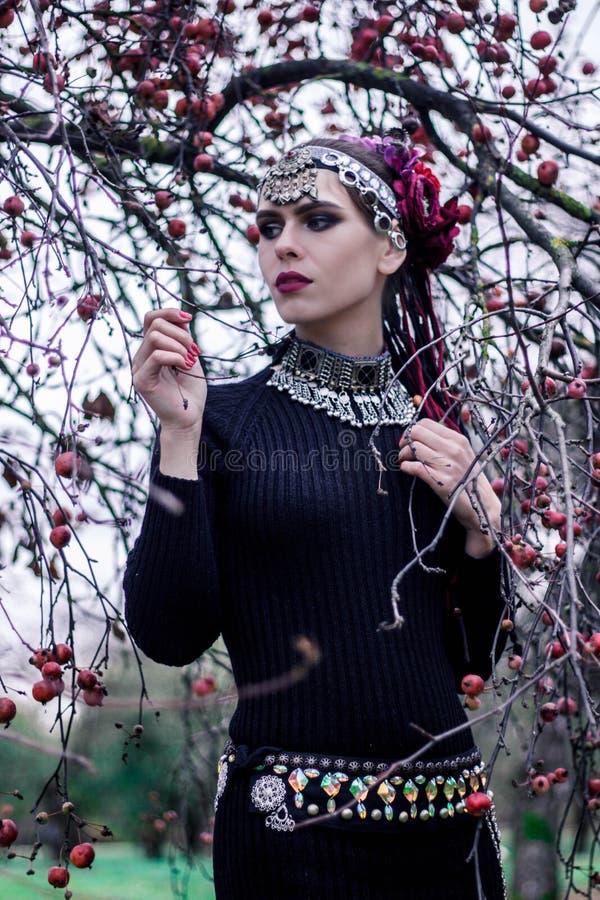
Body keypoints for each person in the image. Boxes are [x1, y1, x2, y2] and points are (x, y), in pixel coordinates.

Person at [124, 132, 508, 899]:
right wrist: (178, 434)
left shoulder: (441, 429)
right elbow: (168, 635)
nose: (282, 246)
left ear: (390, 247)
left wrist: (481, 535)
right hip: (289, 843)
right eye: (269, 228)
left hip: (447, 835)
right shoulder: (220, 421)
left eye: (316, 221)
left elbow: (471, 663)